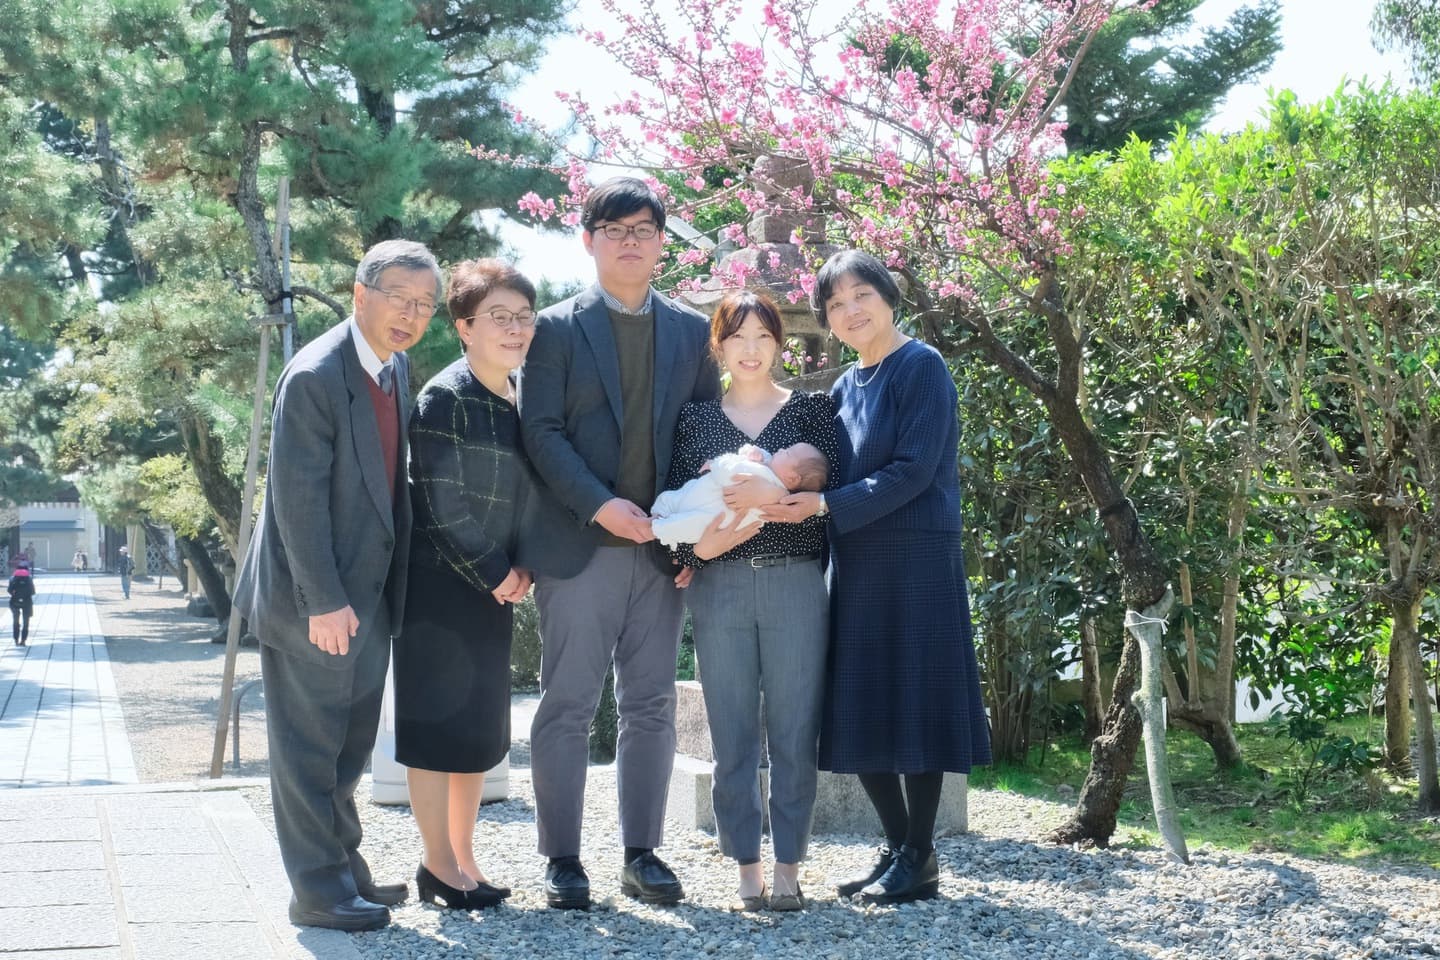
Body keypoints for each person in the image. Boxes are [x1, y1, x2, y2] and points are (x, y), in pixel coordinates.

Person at [759, 250, 991, 904]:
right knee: (861, 705)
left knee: (912, 702)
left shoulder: (922, 367)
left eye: (861, 294)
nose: (850, 311)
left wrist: (829, 505)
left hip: (916, 560)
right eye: (835, 304)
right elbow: (822, 474)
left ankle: (919, 853)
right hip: (858, 561)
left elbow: (916, 469)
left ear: (888, 296)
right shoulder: (843, 389)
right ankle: (900, 849)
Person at [517, 176, 721, 910]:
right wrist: (601, 506)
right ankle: (563, 860)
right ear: (589, 239)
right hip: (580, 546)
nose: (630, 241)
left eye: (644, 229)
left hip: (661, 551)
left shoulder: (694, 333)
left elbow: (705, 437)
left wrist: (692, 539)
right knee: (567, 703)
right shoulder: (556, 329)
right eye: (615, 229)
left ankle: (643, 852)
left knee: (652, 704)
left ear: (663, 243)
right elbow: (538, 431)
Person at [232, 239, 438, 932]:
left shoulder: (394, 365)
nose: (410, 315)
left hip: (371, 590)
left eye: (424, 304)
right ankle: (316, 890)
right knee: (308, 748)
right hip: (315, 600)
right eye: (399, 298)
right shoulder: (317, 374)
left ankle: (344, 870)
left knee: (348, 746)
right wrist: (323, 599)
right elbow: (296, 500)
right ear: (360, 294)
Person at [662, 290, 837, 912]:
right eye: (738, 336)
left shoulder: (813, 412)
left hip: (795, 582)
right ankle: (746, 864)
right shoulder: (697, 419)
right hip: (721, 588)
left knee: (795, 728)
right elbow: (680, 505)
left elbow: (830, 498)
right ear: (720, 345)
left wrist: (782, 501)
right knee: (731, 731)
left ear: (779, 343)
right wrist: (690, 558)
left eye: (763, 335)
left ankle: (789, 864)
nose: (752, 348)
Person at [394, 259, 538, 911]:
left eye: (522, 317)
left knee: (478, 734)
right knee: (435, 732)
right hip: (440, 591)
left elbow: (530, 497)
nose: (513, 329)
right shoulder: (443, 396)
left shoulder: (519, 397)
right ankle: (436, 863)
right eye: (497, 317)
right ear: (464, 326)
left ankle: (464, 859)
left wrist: (524, 565)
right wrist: (496, 572)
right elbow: (439, 500)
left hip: (496, 587)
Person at [649, 440, 827, 549]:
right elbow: (761, 461)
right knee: (682, 517)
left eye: (787, 452)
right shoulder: (775, 487)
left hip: (711, 514)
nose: (781, 449)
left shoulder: (761, 475)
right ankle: (659, 523)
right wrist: (757, 454)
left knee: (683, 517)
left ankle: (655, 527)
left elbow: (730, 471)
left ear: (793, 478)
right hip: (707, 509)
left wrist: (715, 463)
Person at [9, 559, 35, 647]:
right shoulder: (29, 578)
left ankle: (16, 639)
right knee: (26, 622)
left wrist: (16, 595)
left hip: (15, 602)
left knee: (15, 621)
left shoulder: (13, 578)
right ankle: (23, 640)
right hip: (27, 602)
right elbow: (32, 592)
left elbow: (9, 590)